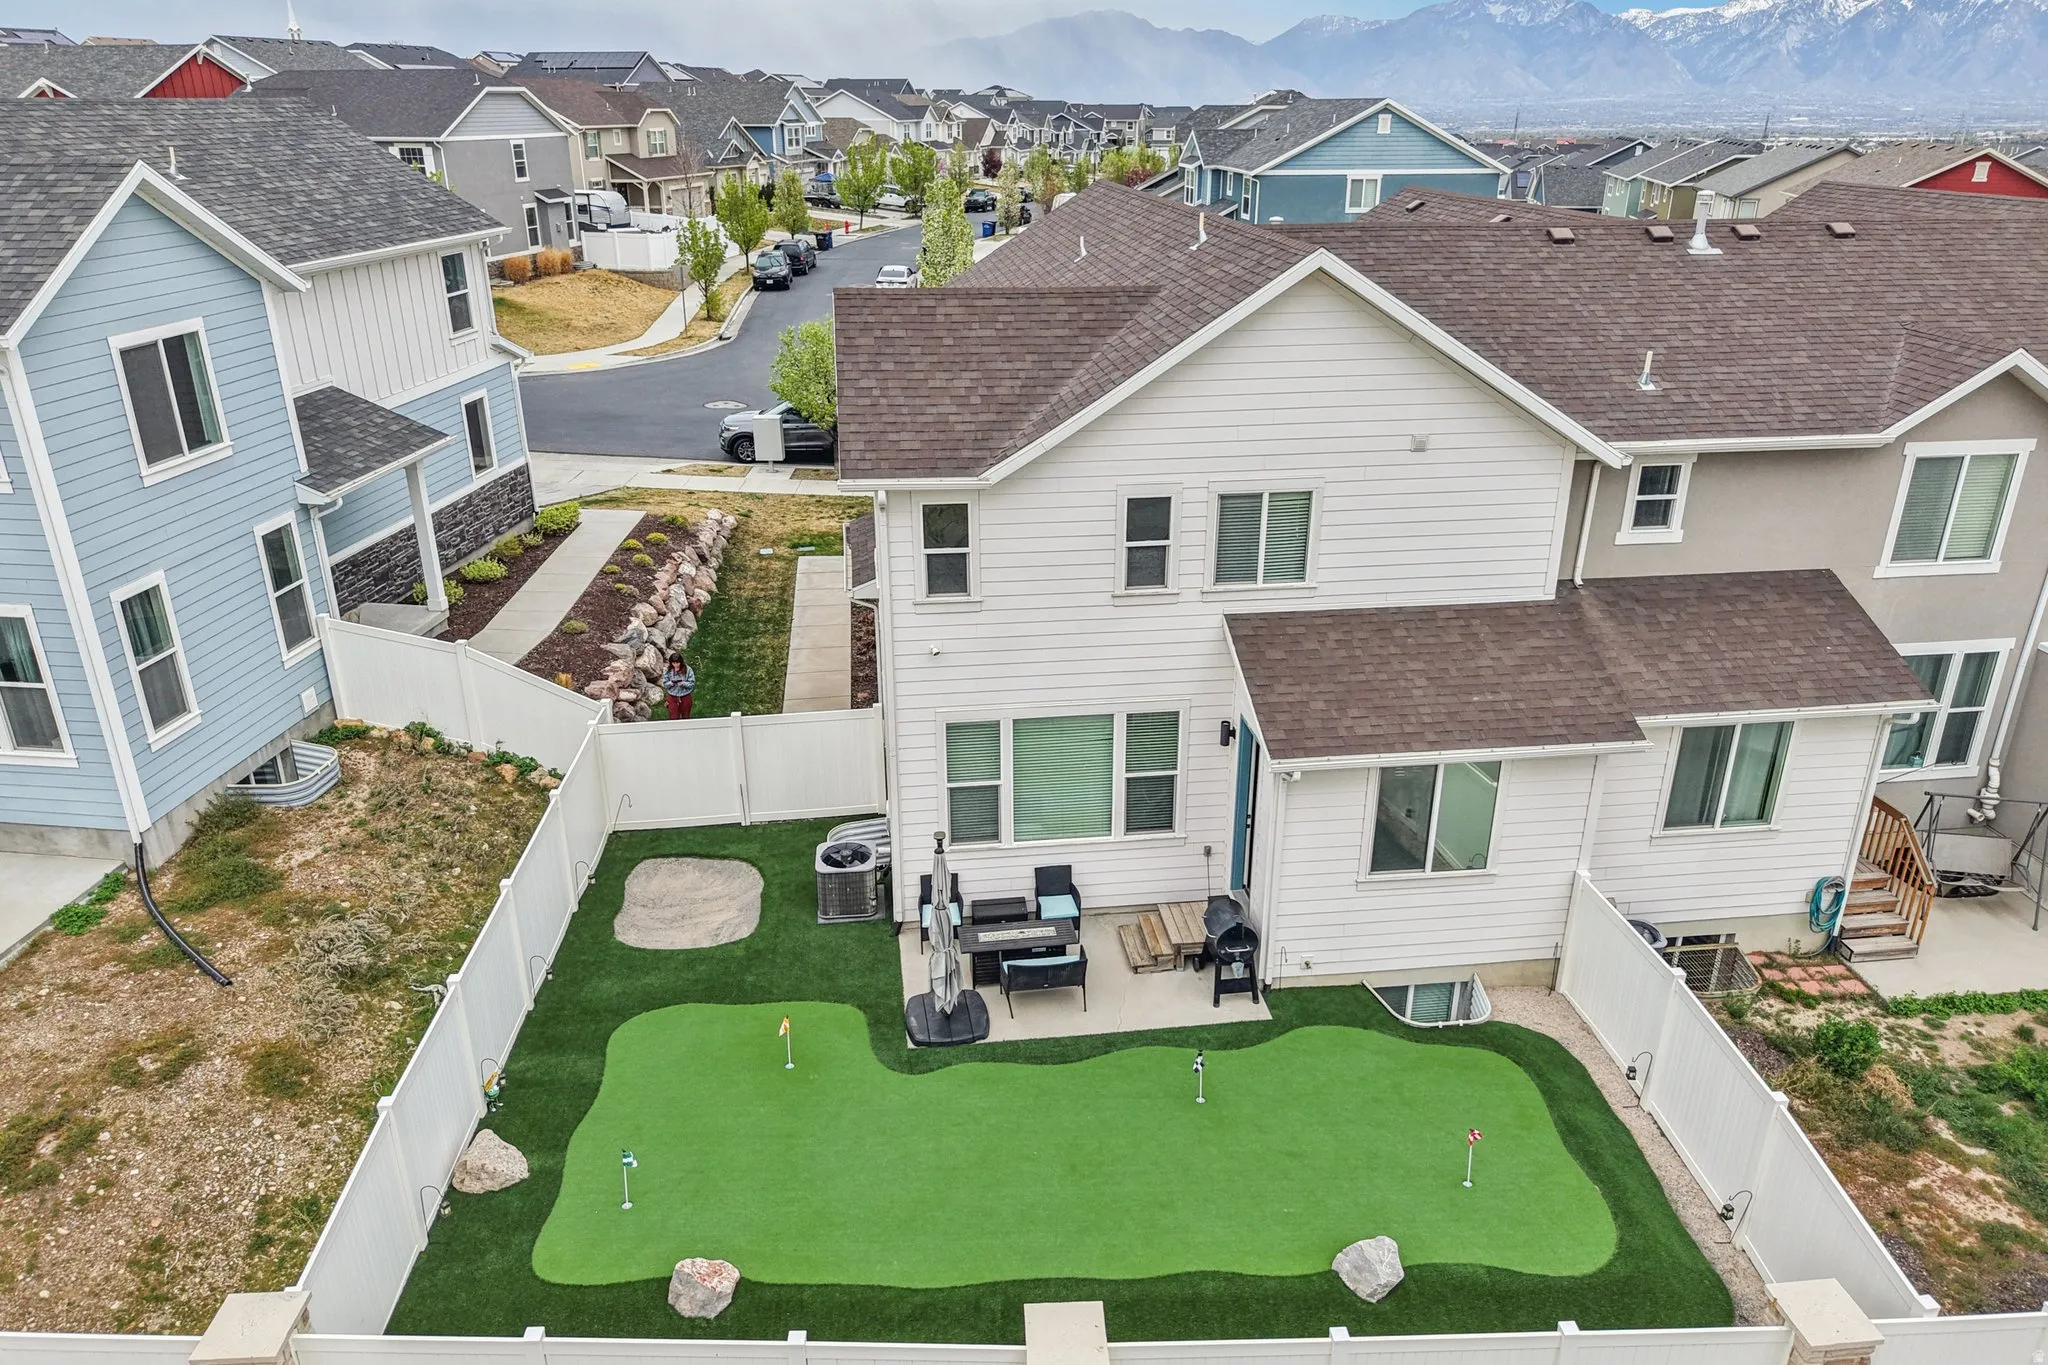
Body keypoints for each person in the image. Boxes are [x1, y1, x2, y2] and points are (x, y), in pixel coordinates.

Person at [660, 653, 695, 720]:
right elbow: (665, 683)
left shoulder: (688, 670)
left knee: (686, 716)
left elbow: (692, 683)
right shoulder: (668, 670)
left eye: (677, 663)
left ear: (681, 662)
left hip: (685, 696)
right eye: (673, 663)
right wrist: (671, 683)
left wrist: (683, 684)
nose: (675, 665)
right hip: (672, 697)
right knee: (673, 717)